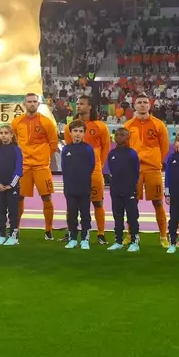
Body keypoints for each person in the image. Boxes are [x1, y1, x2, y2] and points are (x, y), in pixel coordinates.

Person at [123, 95, 171, 246]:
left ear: (149, 105)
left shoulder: (158, 124)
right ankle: (130, 235)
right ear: (134, 105)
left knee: (157, 202)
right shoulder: (128, 126)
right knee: (132, 202)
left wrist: (156, 161)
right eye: (139, 103)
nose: (142, 105)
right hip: (134, 170)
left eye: (145, 102)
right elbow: (124, 148)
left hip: (153, 169)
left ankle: (163, 237)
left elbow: (164, 147)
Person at [12, 93, 59, 242]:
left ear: (38, 104)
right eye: (29, 102)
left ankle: (48, 230)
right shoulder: (17, 122)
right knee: (19, 197)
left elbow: (53, 144)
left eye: (34, 102)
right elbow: (12, 142)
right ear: (24, 104)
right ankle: (15, 228)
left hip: (41, 166)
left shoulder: (47, 122)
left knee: (46, 197)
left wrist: (43, 157)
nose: (32, 104)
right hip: (23, 166)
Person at [75, 96, 113, 245]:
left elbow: (106, 148)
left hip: (94, 171)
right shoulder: (71, 126)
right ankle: (73, 231)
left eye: (81, 104)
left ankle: (101, 233)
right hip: (76, 172)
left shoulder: (100, 126)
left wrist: (99, 165)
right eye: (77, 104)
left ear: (90, 107)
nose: (78, 106)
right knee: (74, 203)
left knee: (97, 202)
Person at [60, 120, 97, 250]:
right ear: (70, 133)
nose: (77, 134)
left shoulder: (88, 149)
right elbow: (64, 168)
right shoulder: (66, 149)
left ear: (84, 134)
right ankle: (73, 238)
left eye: (80, 131)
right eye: (75, 131)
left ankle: (85, 238)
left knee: (85, 214)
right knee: (71, 214)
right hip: (70, 187)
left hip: (84, 187)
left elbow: (92, 166)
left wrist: (83, 178)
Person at [105, 127, 142, 252]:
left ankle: (134, 242)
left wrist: (133, 187)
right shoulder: (112, 154)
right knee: (117, 216)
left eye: (122, 134)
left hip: (129, 189)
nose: (119, 136)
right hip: (115, 189)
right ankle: (118, 241)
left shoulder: (132, 153)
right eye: (117, 134)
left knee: (132, 216)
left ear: (128, 137)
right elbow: (111, 170)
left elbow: (136, 172)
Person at [0, 125, 23, 245]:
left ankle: (14, 236)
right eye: (1, 133)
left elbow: (19, 169)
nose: (3, 135)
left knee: (13, 212)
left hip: (12, 187)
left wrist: (11, 185)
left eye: (6, 133)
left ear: (11, 135)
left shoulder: (16, 149)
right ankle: (2, 234)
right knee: (0, 211)